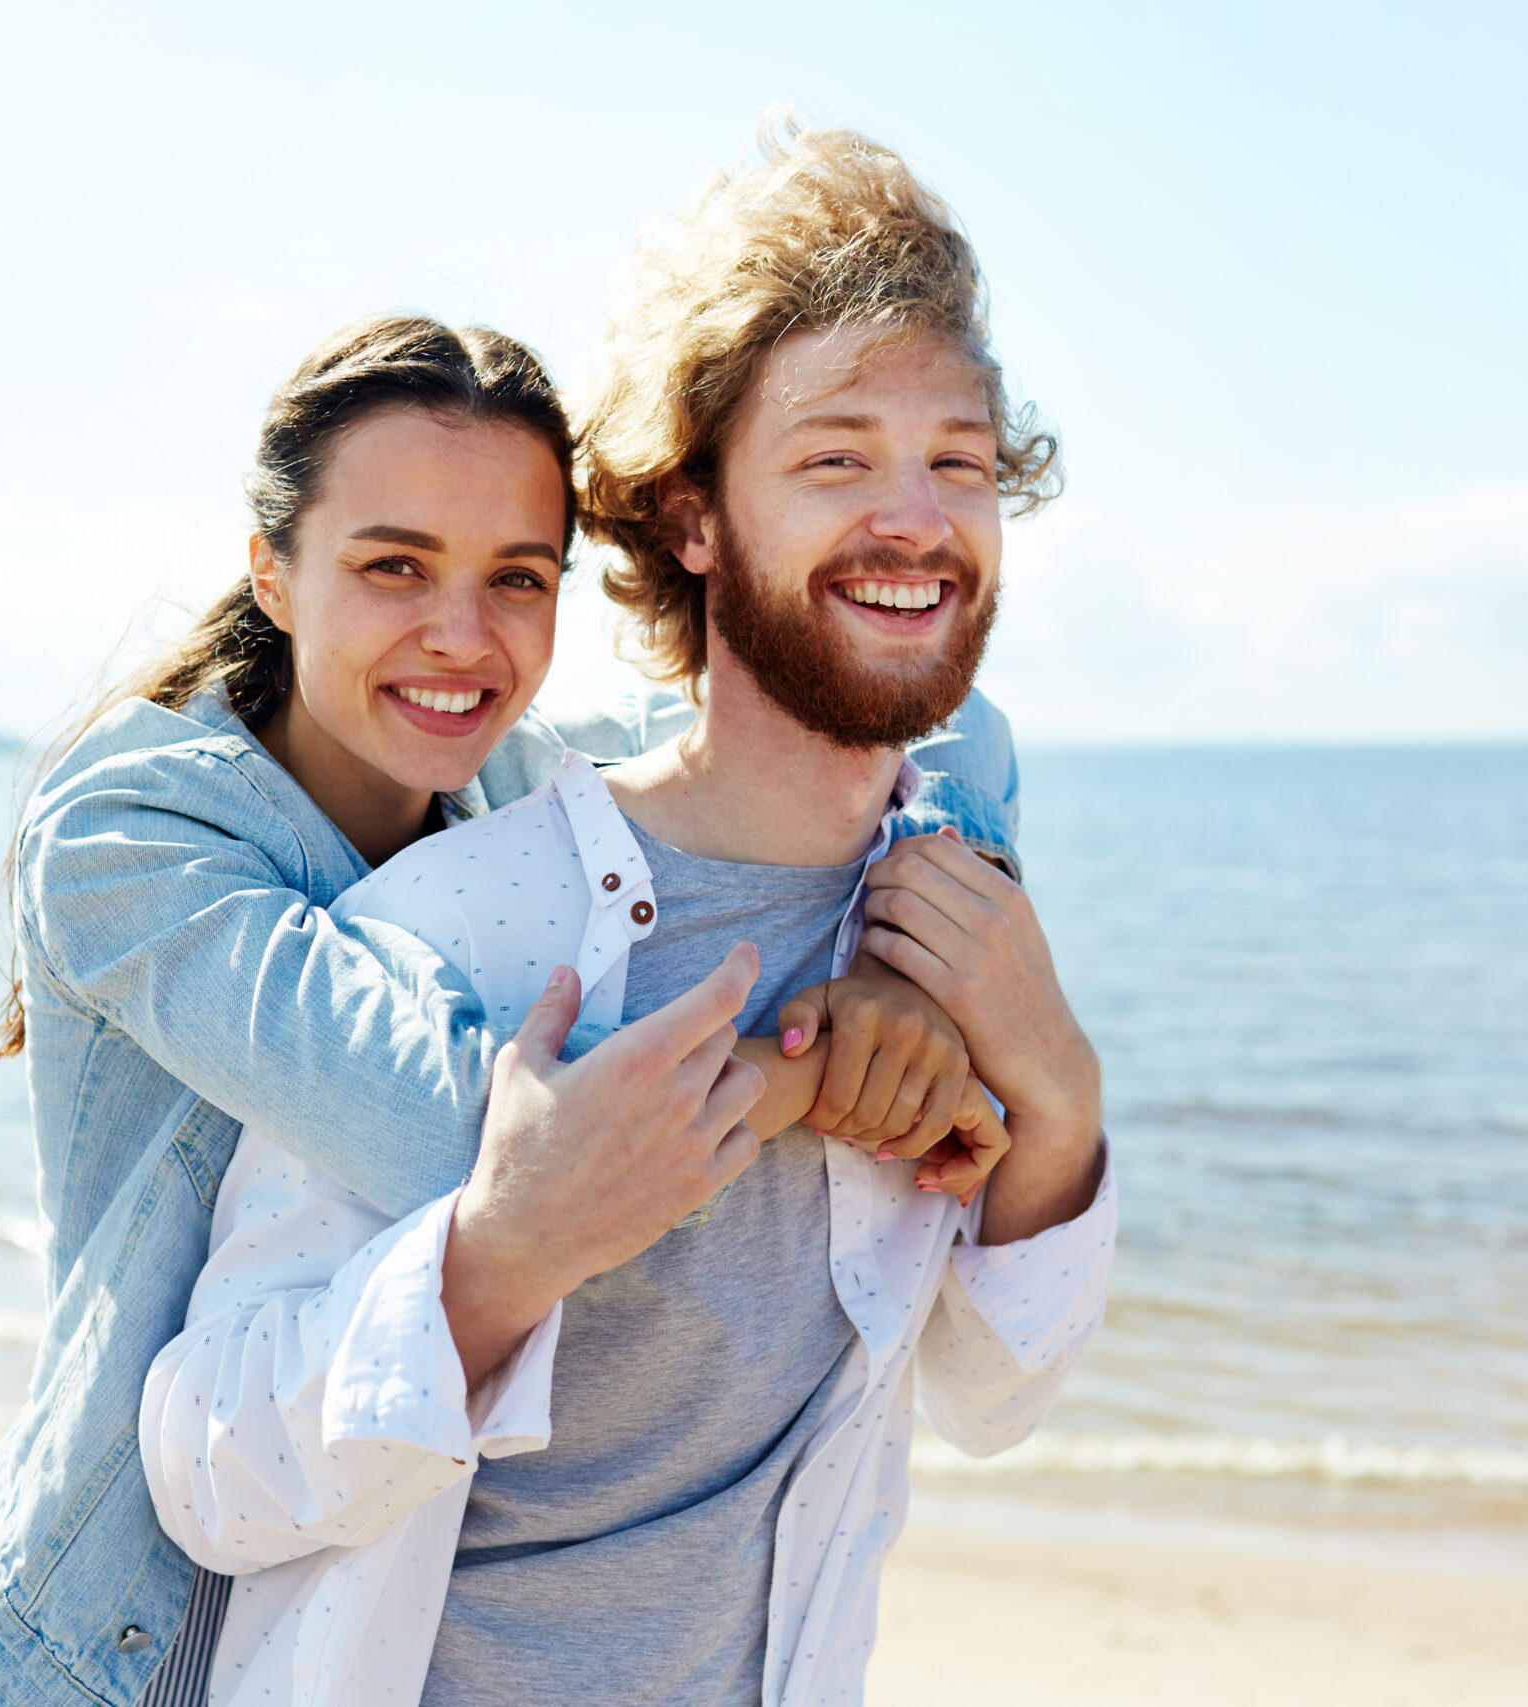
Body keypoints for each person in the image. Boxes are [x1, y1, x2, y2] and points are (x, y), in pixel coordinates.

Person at [0, 313, 1025, 1707]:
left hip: (346, 1589)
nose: (462, 636)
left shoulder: (503, 789)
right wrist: (823, 1065)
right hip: (115, 1636)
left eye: (518, 577)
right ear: (272, 568)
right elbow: (469, 1138)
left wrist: (930, 909)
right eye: (394, 567)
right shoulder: (129, 836)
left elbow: (934, 733)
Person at [136, 123, 1112, 1706]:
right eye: (837, 457)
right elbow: (205, 1472)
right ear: (691, 515)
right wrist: (501, 1259)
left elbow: (993, 1396)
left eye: (958, 459)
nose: (918, 518)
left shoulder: (950, 915)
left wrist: (1054, 1096)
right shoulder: (465, 929)